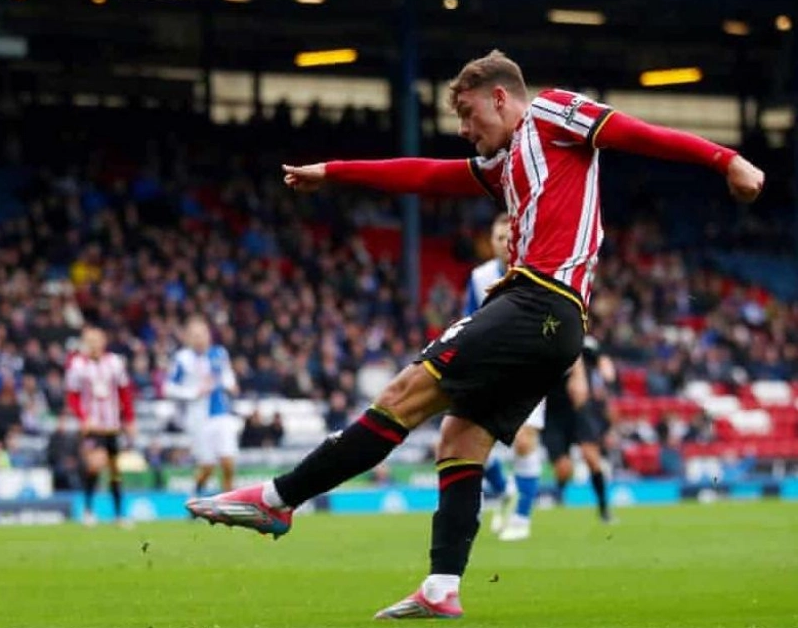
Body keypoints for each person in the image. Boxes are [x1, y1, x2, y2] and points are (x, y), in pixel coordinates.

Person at [185, 50, 764, 619]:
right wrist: (334, 172)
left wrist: (725, 160)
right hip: (554, 323)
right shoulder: (506, 161)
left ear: (500, 97)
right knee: (459, 439)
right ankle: (441, 585)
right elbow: (427, 174)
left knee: (403, 397)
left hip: (539, 299)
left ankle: (279, 499)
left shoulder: (555, 112)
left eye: (467, 114)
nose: (463, 129)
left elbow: (636, 133)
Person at [465, 213, 547, 542]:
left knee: (524, 441)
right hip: (491, 369)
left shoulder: (537, 272)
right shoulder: (479, 277)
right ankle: (503, 487)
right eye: (498, 238)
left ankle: (523, 517)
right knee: (473, 440)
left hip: (530, 367)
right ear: (491, 242)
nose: (504, 243)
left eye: (509, 237)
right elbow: (471, 319)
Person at [64, 326, 136, 527]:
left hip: (112, 425)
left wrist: (129, 419)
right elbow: (72, 396)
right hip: (92, 426)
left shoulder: (115, 362)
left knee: (114, 470)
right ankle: (88, 510)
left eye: (97, 340)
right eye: (90, 341)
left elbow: (124, 392)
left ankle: (119, 514)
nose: (94, 345)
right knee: (95, 465)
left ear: (103, 341)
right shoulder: (77, 365)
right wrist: (82, 417)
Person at [542, 335, 614, 524]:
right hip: (553, 414)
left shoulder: (585, 343)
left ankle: (604, 509)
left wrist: (604, 374)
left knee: (591, 457)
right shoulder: (542, 342)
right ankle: (559, 497)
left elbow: (604, 364)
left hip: (579, 410)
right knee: (564, 469)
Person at [165, 316, 240, 495]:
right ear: (188, 338)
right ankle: (195, 495)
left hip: (221, 413)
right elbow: (169, 388)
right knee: (208, 466)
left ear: (209, 335)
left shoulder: (219, 353)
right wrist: (193, 392)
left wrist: (231, 384)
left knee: (228, 461)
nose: (199, 339)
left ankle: (228, 505)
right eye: (195, 335)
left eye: (202, 334)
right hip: (199, 418)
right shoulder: (182, 359)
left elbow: (226, 374)